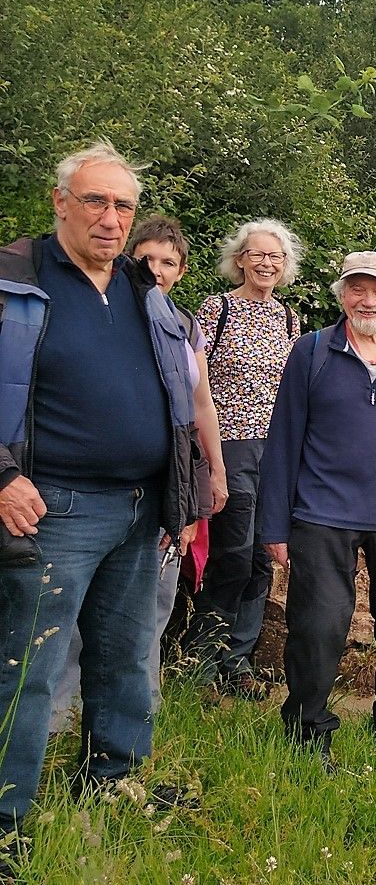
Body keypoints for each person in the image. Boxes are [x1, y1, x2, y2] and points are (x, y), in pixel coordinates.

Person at [1, 141, 200, 840]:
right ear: (60, 202)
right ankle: (6, 819)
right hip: (52, 510)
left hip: (138, 509)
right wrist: (2, 477)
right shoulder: (15, 279)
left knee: (125, 660)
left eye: (123, 205)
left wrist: (181, 497)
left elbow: (178, 398)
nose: (110, 218)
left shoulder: (143, 291)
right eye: (95, 200)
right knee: (28, 669)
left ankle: (112, 783)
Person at [257, 252, 376, 766]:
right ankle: (308, 731)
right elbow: (283, 441)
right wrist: (275, 524)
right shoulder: (312, 351)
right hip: (321, 514)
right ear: (342, 295)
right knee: (318, 626)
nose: (369, 300)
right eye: (358, 289)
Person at [50, 215, 229, 732]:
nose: (156, 269)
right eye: (146, 257)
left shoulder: (185, 323)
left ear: (182, 270)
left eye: (168, 262)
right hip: (94, 488)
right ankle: (62, 716)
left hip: (170, 481)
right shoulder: (107, 310)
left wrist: (214, 473)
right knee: (79, 607)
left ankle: (140, 711)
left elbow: (201, 404)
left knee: (154, 599)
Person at [186, 218, 302, 698]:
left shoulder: (290, 319)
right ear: (240, 260)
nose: (266, 263)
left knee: (261, 557)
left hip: (274, 450)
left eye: (275, 256)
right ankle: (201, 662)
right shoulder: (217, 310)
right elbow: (195, 385)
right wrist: (209, 461)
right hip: (228, 444)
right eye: (257, 254)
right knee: (232, 553)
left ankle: (238, 662)